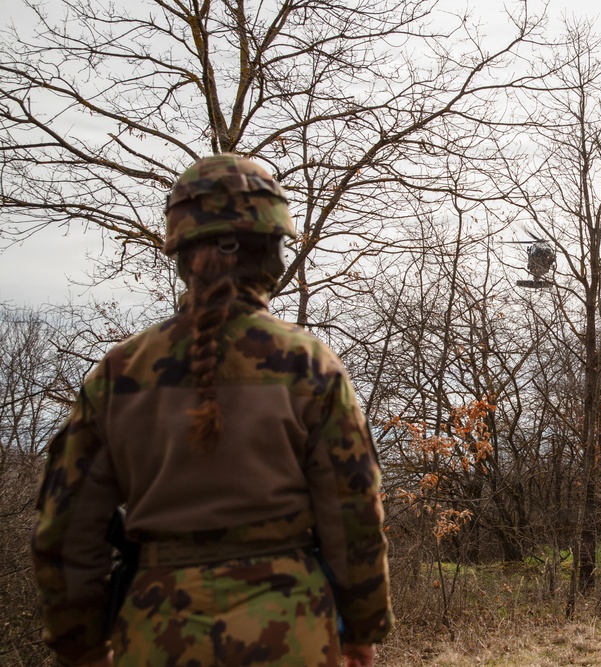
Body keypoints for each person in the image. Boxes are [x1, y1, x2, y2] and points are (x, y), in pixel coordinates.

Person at [32, 154, 393, 667]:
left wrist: (82, 646)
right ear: (274, 253)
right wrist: (362, 628)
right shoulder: (308, 366)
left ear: (180, 252)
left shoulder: (119, 373)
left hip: (156, 636)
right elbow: (353, 514)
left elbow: (63, 531)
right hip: (292, 634)